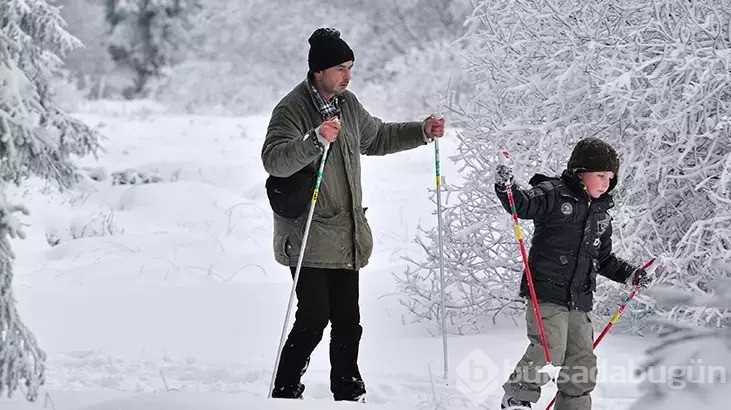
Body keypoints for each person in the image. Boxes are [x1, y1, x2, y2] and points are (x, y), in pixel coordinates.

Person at [261, 27, 445, 402]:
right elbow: (274, 160)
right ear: (318, 71)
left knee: (348, 322)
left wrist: (421, 131)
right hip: (308, 233)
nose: (348, 75)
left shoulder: (348, 104)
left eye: (350, 67)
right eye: (341, 68)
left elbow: (376, 137)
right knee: (313, 320)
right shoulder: (292, 109)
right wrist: (315, 139)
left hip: (346, 236)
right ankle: (284, 390)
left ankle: (348, 390)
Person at [493, 137, 653, 410]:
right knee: (549, 347)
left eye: (610, 177)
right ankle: (518, 396)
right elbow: (522, 204)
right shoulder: (554, 192)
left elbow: (603, 259)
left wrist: (631, 275)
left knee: (582, 361)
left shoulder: (602, 216)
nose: (606, 182)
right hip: (546, 291)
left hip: (579, 299)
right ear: (580, 172)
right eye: (600, 175)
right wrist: (505, 186)